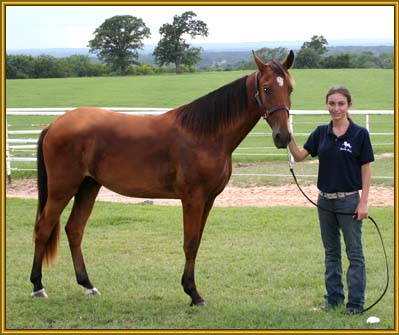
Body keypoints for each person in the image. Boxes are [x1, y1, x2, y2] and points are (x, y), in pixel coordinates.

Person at [288, 85, 374, 315]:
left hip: (349, 202)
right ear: (327, 105)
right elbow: (299, 156)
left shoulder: (359, 134)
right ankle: (334, 300)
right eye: (332, 103)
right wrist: (287, 136)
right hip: (324, 202)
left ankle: (355, 305)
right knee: (331, 253)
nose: (336, 108)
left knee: (354, 254)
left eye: (340, 103)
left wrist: (363, 202)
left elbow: (366, 169)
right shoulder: (320, 133)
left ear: (349, 105)